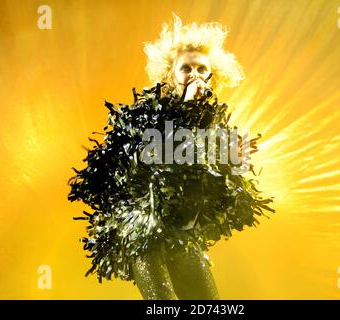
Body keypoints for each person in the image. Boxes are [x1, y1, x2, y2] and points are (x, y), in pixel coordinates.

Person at [67, 14, 274, 300]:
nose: (195, 75)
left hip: (185, 239)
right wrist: (185, 109)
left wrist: (231, 167)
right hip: (147, 240)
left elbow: (211, 198)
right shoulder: (144, 117)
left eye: (202, 68)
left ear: (213, 76)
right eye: (186, 68)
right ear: (170, 76)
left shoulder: (214, 130)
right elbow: (153, 167)